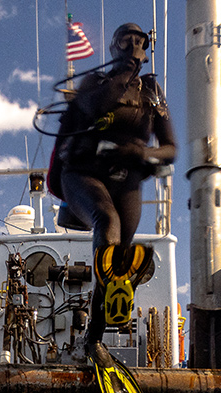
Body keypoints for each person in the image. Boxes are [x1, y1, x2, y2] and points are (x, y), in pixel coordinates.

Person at [53, 23, 176, 364]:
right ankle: (95, 336)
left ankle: (95, 337)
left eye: (139, 41)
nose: (133, 45)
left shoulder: (152, 90)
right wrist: (124, 69)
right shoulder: (96, 83)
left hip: (127, 179)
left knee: (118, 262)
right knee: (106, 221)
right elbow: (97, 108)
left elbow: (170, 148)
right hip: (83, 174)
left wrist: (142, 155)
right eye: (125, 40)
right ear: (112, 48)